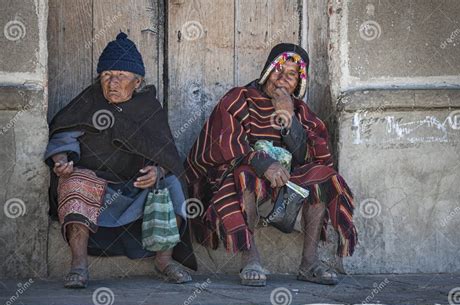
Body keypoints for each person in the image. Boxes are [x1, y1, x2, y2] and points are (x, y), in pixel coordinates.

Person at [185, 43, 357, 287]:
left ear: (299, 82)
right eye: (278, 70)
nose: (282, 79)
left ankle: (309, 263)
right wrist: (263, 163)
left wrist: (288, 120)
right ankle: (250, 259)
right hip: (246, 178)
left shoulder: (301, 111)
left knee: (323, 176)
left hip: (286, 183)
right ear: (266, 71)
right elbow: (224, 145)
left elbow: (313, 157)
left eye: (291, 74)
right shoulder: (239, 99)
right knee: (245, 175)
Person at [44, 32, 196, 288]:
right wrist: (62, 161)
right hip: (94, 185)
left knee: (172, 181)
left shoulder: (149, 108)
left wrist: (157, 171)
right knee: (75, 181)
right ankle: (79, 266)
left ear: (137, 82)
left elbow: (167, 154)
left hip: (134, 188)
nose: (112, 82)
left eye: (120, 77)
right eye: (106, 76)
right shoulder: (89, 102)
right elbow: (63, 137)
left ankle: (164, 260)